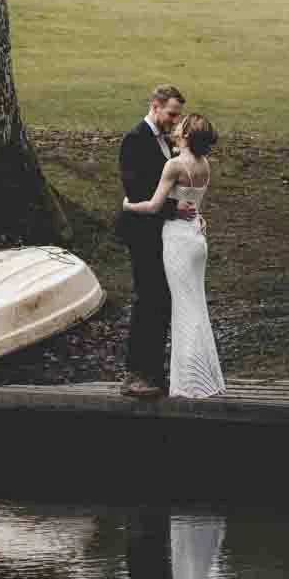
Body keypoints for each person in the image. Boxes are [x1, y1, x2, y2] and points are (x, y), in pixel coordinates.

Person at [123, 113, 225, 399]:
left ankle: (190, 380)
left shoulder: (175, 165)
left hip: (178, 240)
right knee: (194, 304)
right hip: (196, 239)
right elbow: (193, 202)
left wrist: (128, 206)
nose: (177, 126)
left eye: (182, 125)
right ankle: (201, 374)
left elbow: (155, 206)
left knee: (182, 307)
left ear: (187, 135)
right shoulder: (204, 165)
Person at [117, 85, 197, 398]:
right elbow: (135, 189)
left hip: (163, 233)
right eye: (171, 114)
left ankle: (154, 369)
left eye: (177, 116)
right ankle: (136, 372)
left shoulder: (167, 142)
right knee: (148, 298)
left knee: (162, 300)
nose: (174, 121)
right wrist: (173, 208)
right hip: (142, 231)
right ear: (155, 106)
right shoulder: (135, 140)